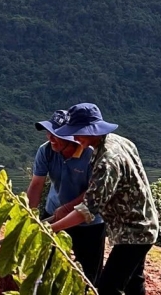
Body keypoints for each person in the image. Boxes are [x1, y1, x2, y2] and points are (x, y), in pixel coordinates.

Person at [46, 104, 159, 295]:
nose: (74, 137)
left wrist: (53, 229)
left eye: (77, 132)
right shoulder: (119, 141)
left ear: (91, 131)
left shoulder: (107, 161)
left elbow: (87, 210)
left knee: (108, 287)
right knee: (133, 283)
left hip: (133, 231)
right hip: (142, 224)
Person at [28, 110, 105, 284]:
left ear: (70, 137)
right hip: (53, 213)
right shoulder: (46, 151)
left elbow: (94, 191)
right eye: (48, 133)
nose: (50, 138)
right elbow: (36, 185)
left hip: (89, 222)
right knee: (46, 266)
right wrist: (29, 215)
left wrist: (68, 207)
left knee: (89, 274)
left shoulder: (91, 155)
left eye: (55, 135)